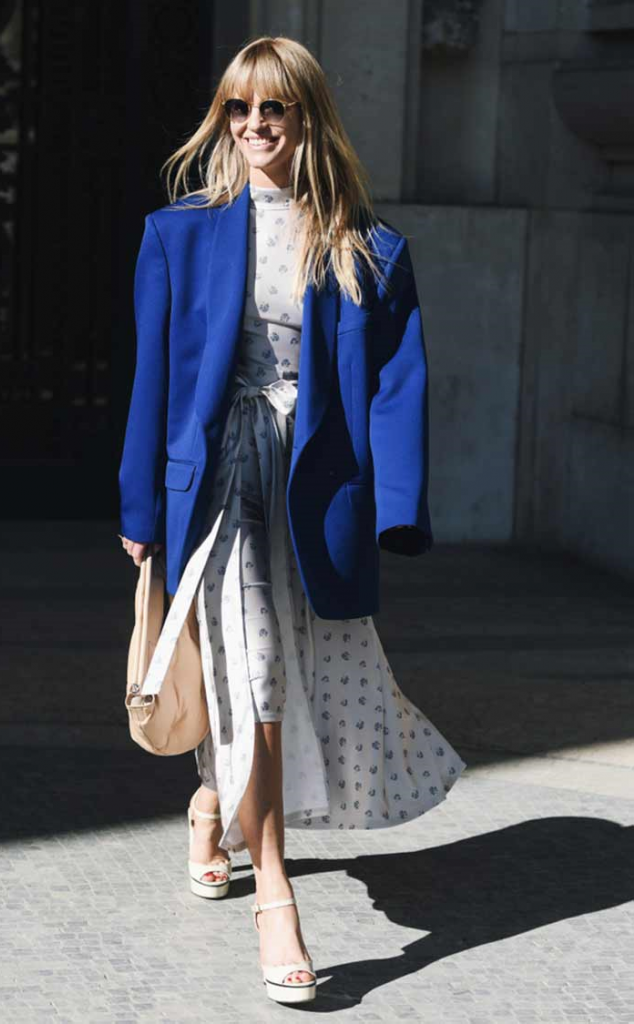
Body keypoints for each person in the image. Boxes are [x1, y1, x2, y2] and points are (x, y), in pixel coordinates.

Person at [118, 35, 467, 1005]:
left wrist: (393, 507)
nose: (255, 126)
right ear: (223, 118)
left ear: (307, 117)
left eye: (274, 109)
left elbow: (397, 384)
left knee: (279, 663)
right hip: (219, 475)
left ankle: (207, 800)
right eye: (238, 109)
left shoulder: (364, 243)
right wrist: (136, 503)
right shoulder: (176, 234)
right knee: (253, 660)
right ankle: (274, 889)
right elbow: (152, 381)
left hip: (310, 488)